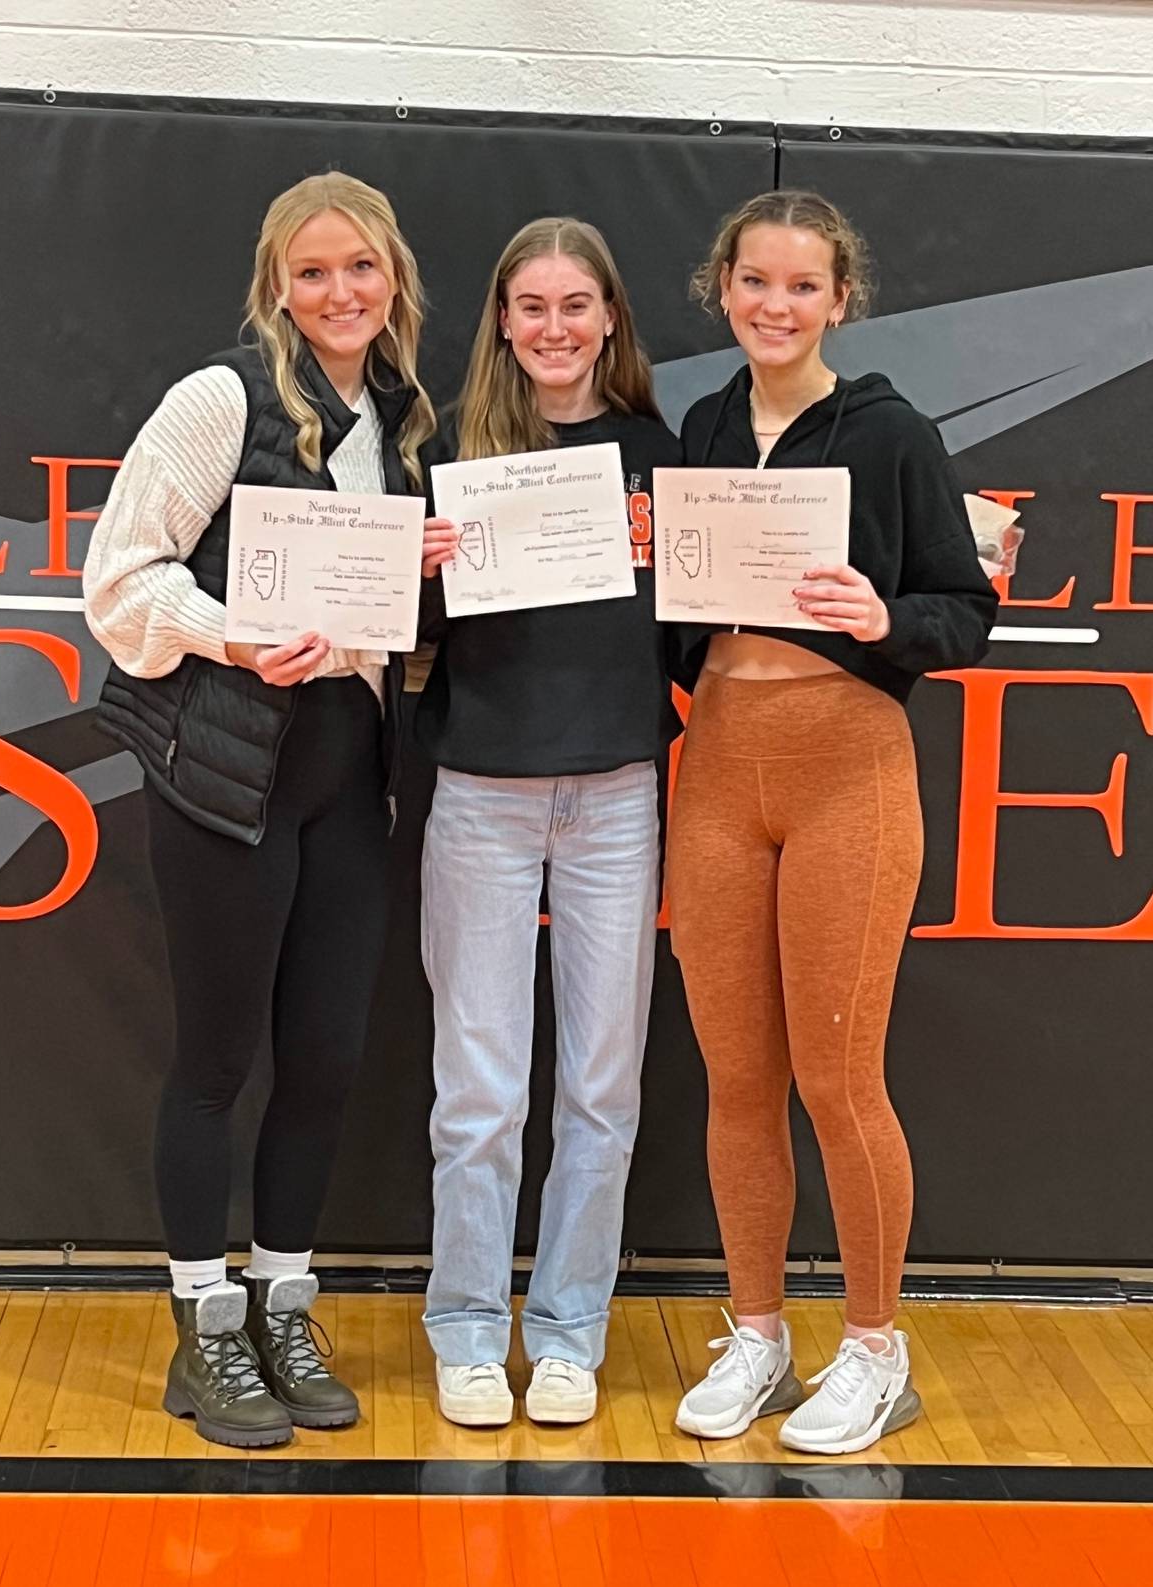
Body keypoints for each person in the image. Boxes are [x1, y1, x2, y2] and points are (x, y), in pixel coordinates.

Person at [82, 172, 437, 1448]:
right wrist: (235, 640)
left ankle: (285, 1297)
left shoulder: (401, 422)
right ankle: (203, 1327)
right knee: (219, 1062)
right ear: (276, 284)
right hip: (227, 773)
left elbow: (390, 621)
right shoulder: (221, 398)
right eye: (313, 272)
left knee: (330, 1056)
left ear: (392, 277)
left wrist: (430, 569)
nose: (341, 293)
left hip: (350, 769)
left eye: (362, 269)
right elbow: (115, 584)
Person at [668, 190, 999, 1456]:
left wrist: (881, 620)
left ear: (838, 301)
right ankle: (757, 1331)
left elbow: (962, 613)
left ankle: (874, 1346)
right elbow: (685, 610)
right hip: (723, 766)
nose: (776, 305)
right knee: (737, 1077)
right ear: (726, 287)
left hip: (847, 764)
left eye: (802, 287)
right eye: (755, 281)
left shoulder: (892, 432)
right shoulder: (702, 424)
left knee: (836, 1075)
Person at [417, 217, 681, 1428]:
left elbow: (708, 616)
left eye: (577, 304)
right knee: (478, 1091)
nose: (556, 327)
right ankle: (467, 1327)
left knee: (600, 1087)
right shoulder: (452, 456)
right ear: (504, 321)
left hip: (619, 792)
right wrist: (413, 575)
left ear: (611, 318)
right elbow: (403, 647)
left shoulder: (657, 455)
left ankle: (570, 1331)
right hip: (480, 792)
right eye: (532, 305)